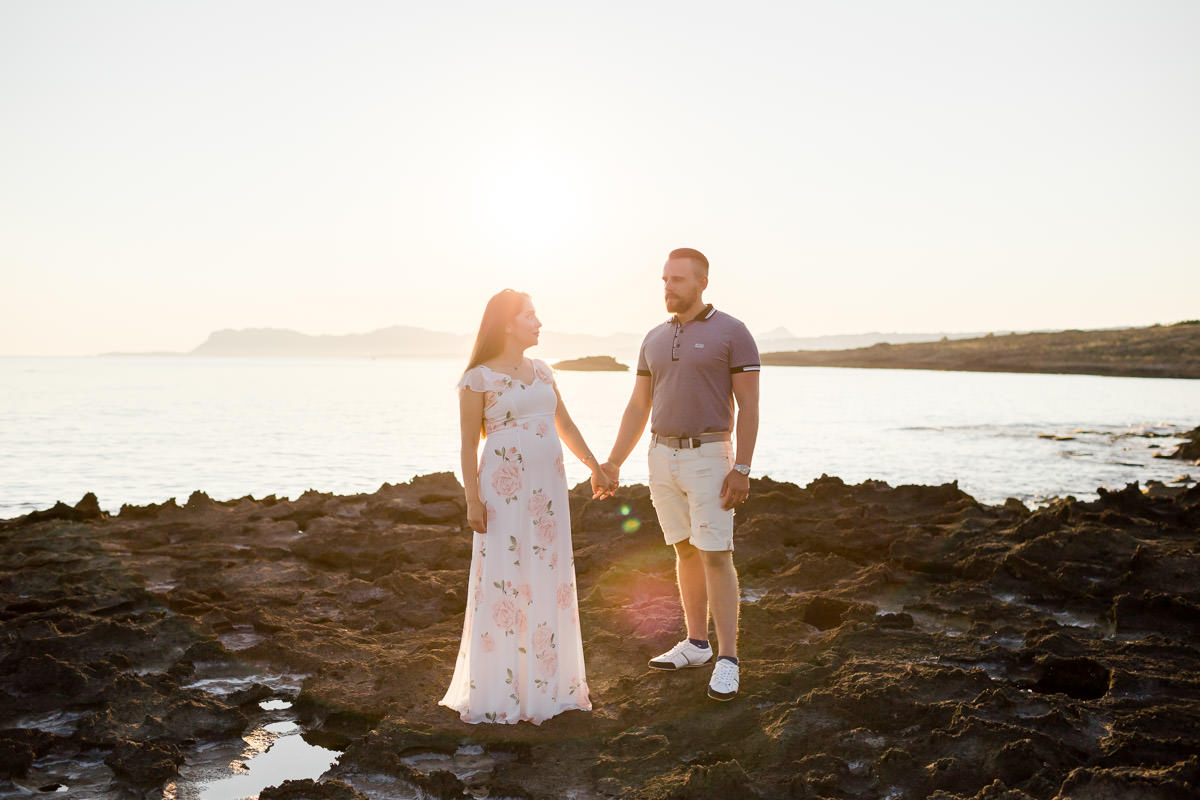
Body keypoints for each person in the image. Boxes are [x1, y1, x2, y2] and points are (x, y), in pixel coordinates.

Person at [440, 289, 614, 724]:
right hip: (503, 495)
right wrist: (472, 500)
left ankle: (545, 689)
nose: (539, 322)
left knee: (546, 576)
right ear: (506, 323)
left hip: (548, 496)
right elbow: (466, 446)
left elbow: (566, 423)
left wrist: (595, 465)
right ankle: (502, 692)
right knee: (505, 581)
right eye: (530, 315)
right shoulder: (477, 378)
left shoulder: (542, 371)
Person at [601, 248, 760, 701]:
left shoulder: (733, 332)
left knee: (716, 554)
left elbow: (749, 405)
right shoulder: (652, 337)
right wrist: (613, 461)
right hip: (660, 456)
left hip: (710, 456)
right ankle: (696, 644)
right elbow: (637, 406)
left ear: (702, 282)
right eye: (665, 279)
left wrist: (742, 468)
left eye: (678, 280)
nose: (668, 287)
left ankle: (728, 659)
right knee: (685, 550)